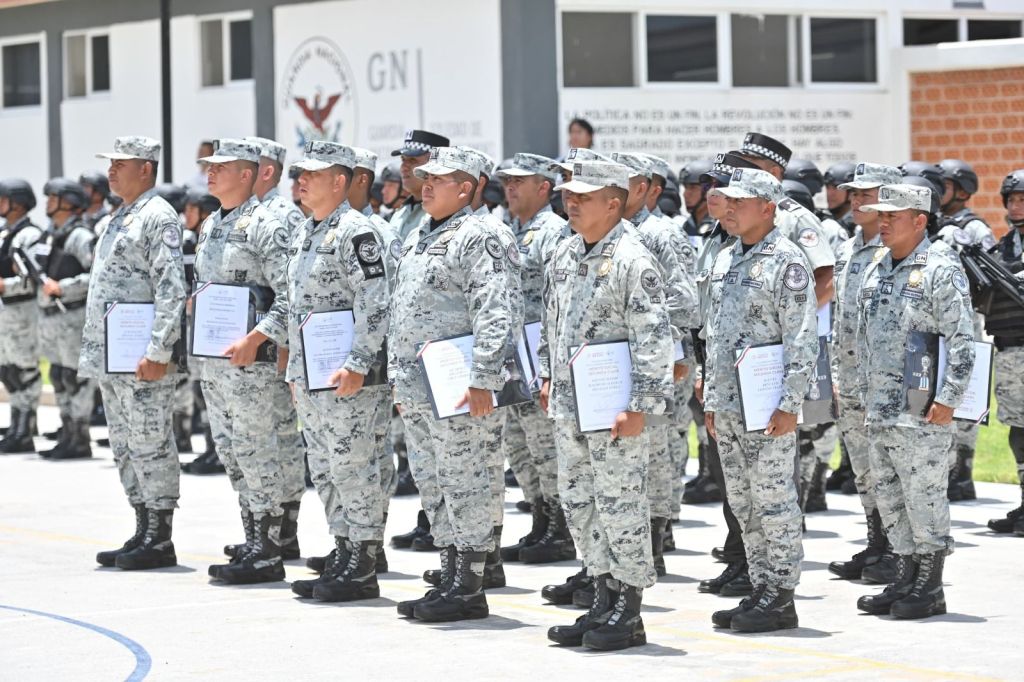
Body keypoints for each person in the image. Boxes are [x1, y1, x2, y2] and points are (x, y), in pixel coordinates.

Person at [540, 159, 673, 651]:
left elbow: (653, 337)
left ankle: (628, 610)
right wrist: (548, 374)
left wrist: (640, 404)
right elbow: (550, 321)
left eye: (584, 196)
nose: (571, 202)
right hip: (571, 404)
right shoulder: (565, 252)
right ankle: (601, 597)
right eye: (569, 194)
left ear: (614, 203)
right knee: (580, 502)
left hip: (614, 408)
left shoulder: (633, 259)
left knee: (620, 505)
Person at [388, 147, 520, 623]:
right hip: (420, 387)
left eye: (438, 180)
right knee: (434, 481)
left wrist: (484, 378)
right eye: (424, 177)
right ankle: (449, 574)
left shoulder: (481, 235)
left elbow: (496, 311)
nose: (425, 185)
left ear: (466, 188)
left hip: (461, 387)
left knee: (468, 481)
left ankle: (469, 585)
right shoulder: (421, 234)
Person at [703, 168, 818, 633]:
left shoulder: (786, 261)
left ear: (768, 208)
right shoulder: (726, 257)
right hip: (730, 404)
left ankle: (781, 594)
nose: (728, 209)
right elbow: (713, 335)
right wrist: (712, 399)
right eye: (726, 201)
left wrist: (790, 404)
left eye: (740, 202)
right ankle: (759, 585)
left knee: (773, 500)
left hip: (768, 406)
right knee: (743, 501)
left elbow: (802, 338)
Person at [278, 141, 393, 603]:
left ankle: (363, 563)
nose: (301, 180)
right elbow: (296, 305)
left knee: (354, 466)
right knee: (325, 468)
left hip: (347, 376)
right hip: (313, 375)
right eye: (300, 173)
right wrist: (294, 369)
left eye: (313, 174)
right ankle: (343, 551)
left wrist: (358, 362)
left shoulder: (355, 232)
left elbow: (375, 301)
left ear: (340, 181)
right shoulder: (306, 231)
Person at [854, 183, 975, 620]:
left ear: (920, 220)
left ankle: (930, 585)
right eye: (881, 215)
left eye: (893, 216)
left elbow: (963, 340)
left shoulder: (941, 268)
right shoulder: (877, 267)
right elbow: (865, 338)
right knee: (889, 496)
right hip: (881, 407)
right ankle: (904, 576)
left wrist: (949, 397)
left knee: (924, 496)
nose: (883, 222)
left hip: (922, 410)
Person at [84, 136, 186, 570]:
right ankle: (142, 527)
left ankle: (160, 537)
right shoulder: (119, 216)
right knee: (125, 445)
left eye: (120, 164)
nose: (111, 171)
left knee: (150, 442)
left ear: (145, 169)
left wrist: (158, 350)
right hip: (114, 357)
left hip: (142, 357)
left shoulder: (157, 216)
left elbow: (171, 288)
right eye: (110, 164)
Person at [194, 139, 292, 585]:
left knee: (257, 450)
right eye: (210, 166)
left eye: (222, 167)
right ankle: (253, 538)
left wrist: (258, 337)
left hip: (252, 364)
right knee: (232, 452)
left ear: (249, 174)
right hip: (216, 362)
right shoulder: (211, 223)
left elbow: (290, 295)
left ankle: (269, 549)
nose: (211, 172)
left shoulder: (267, 225)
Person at [611, 151, 698, 577]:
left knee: (657, 450)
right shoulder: (614, 232)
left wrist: (675, 355)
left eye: (624, 181)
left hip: (658, 362)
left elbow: (684, 300)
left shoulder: (661, 234)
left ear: (644, 188)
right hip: (617, 363)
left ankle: (656, 538)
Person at [826, 163, 904, 583]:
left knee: (892, 467)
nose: (856, 201)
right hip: (851, 378)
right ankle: (876, 543)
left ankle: (898, 551)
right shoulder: (847, 247)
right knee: (863, 467)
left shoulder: (897, 249)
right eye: (853, 194)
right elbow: (839, 318)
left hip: (887, 383)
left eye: (866, 194)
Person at [495, 153, 573, 565]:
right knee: (519, 444)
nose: (509, 188)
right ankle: (540, 519)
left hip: (538, 356)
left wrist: (548, 368)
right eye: (506, 182)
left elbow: (559, 302)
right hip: (512, 359)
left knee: (545, 445)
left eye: (518, 182)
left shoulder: (554, 232)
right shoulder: (509, 230)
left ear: (544, 187)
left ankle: (561, 528)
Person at [693, 152, 761, 599]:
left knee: (763, 483)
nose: (713, 195)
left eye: (721, 188)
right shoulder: (716, 241)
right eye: (710, 187)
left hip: (756, 377)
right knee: (730, 477)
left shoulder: (766, 237)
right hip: (720, 374)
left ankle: (762, 571)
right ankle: (739, 558)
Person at [935, 159, 994, 503]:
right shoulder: (936, 223)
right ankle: (947, 468)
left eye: (944, 185)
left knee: (966, 400)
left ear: (962, 190)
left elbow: (989, 277)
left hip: (967, 320)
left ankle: (963, 471)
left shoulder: (974, 228)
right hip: (940, 322)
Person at [34, 179, 97, 460]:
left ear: (69, 202)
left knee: (75, 378)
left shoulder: (81, 237)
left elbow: (96, 275)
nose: (48, 202)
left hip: (73, 317)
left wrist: (64, 287)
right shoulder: (50, 235)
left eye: (54, 197)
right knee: (58, 376)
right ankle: (67, 433)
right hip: (51, 319)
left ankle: (80, 438)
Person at [985, 169, 1024, 536]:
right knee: (1017, 429)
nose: (1016, 206)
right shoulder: (1003, 248)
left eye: (1022, 199)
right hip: (1009, 350)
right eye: (1011, 199)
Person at [179, 188, 223, 475]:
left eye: (192, 209)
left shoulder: (216, 242)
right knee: (199, 389)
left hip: (213, 328)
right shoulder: (187, 243)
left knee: (213, 391)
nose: (186, 215)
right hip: (192, 327)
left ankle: (218, 451)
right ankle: (209, 448)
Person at [0, 179, 43, 453]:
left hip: (23, 312)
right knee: (8, 371)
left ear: (17, 203)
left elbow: (34, 277)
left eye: (3, 198)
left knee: (25, 371)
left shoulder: (30, 235)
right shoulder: (5, 232)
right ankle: (16, 423)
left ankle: (26, 430)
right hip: (6, 313)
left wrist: (6, 285)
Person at [389, 129, 450, 240]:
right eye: (403, 160)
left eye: (412, 160)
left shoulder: (443, 213)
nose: (404, 167)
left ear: (434, 164)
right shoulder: (400, 212)